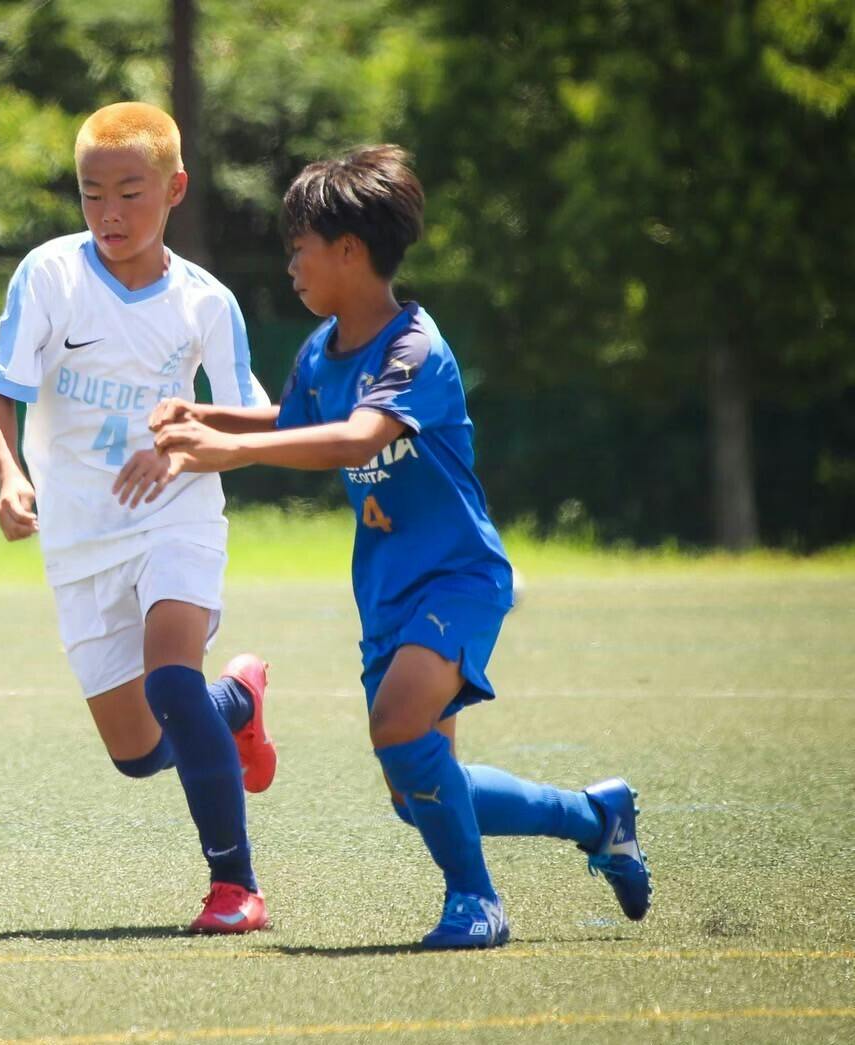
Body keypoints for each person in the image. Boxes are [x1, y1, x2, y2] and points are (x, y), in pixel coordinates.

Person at [151, 145, 652, 948]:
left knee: (395, 725)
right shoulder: (321, 349)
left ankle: (476, 902)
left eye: (299, 248)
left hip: (456, 578)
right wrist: (202, 416)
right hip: (385, 590)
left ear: (348, 251)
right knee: (414, 787)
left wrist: (227, 450)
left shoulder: (414, 349)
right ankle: (595, 818)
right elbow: (293, 421)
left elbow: (356, 438)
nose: (289, 266)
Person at [0, 102, 276, 934]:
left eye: (129, 193)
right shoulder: (48, 275)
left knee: (171, 680)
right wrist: (10, 477)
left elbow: (252, 425)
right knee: (138, 753)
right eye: (91, 193)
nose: (108, 213)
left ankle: (234, 886)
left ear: (174, 189)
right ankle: (236, 702)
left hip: (176, 518)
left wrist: (179, 455)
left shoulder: (206, 302)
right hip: (79, 538)